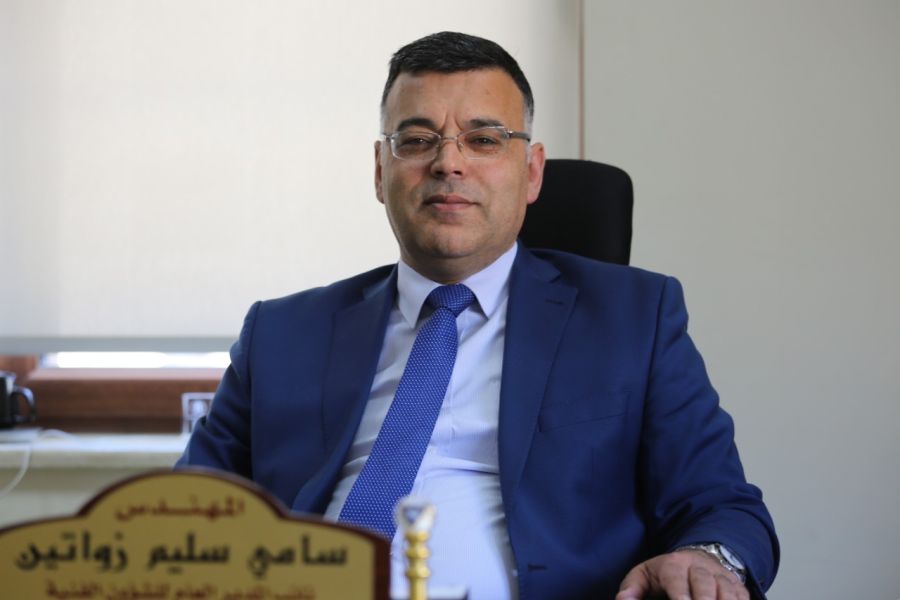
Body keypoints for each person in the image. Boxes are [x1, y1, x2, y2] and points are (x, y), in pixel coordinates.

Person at [178, 31, 778, 600]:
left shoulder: (632, 318)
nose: (448, 163)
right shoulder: (282, 333)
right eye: (417, 140)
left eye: (484, 139)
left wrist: (706, 558)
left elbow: (720, 503)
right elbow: (189, 509)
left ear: (532, 172)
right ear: (380, 172)